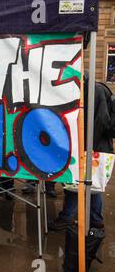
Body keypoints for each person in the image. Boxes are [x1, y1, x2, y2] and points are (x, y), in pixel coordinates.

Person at [49, 73, 113, 231]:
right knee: (91, 185)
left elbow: (100, 121)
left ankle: (68, 217)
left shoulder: (94, 90)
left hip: (93, 146)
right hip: (94, 145)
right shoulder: (91, 89)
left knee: (77, 182)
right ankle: (95, 220)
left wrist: (86, 147)